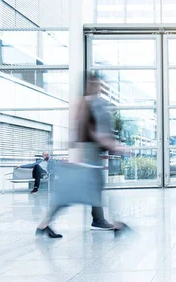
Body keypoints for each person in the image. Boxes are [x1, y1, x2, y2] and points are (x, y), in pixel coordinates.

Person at [36, 74, 123, 239]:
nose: (99, 87)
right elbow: (87, 131)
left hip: (91, 151)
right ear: (88, 85)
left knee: (88, 188)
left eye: (99, 84)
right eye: (96, 84)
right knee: (81, 189)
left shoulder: (90, 102)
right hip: (90, 151)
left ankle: (98, 220)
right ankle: (103, 221)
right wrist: (111, 145)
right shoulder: (85, 103)